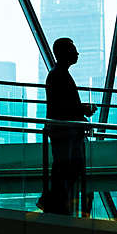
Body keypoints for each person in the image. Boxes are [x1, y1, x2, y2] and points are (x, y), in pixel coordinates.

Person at [39, 38, 96, 216]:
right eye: (73, 49)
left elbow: (63, 105)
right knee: (65, 168)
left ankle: (55, 203)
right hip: (64, 132)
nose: (77, 53)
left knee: (65, 168)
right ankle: (54, 204)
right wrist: (84, 110)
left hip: (64, 130)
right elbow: (64, 107)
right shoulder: (59, 75)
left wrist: (81, 113)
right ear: (63, 52)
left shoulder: (58, 74)